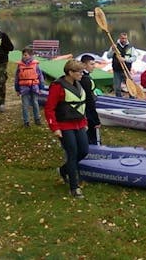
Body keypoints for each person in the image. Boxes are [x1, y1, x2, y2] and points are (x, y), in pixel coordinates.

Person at [44, 60, 89, 199]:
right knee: (72, 153)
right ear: (70, 73)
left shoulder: (78, 84)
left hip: (79, 124)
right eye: (79, 72)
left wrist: (85, 122)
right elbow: (49, 109)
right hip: (64, 126)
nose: (82, 74)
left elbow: (82, 105)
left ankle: (64, 170)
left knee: (84, 151)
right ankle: (74, 188)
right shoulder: (58, 87)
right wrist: (55, 128)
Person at [14, 47, 45, 127]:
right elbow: (17, 78)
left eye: (25, 55)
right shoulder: (20, 66)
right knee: (25, 105)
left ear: (31, 55)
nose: (24, 56)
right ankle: (26, 121)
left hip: (34, 87)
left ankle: (37, 119)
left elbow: (40, 76)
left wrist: (41, 88)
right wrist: (17, 89)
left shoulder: (35, 65)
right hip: (24, 88)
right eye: (23, 55)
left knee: (35, 103)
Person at [106, 32, 138, 97]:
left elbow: (134, 58)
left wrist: (125, 59)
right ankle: (119, 99)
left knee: (130, 87)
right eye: (122, 38)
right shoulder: (114, 46)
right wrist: (112, 50)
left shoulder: (131, 47)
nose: (124, 40)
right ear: (120, 38)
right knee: (117, 88)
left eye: (125, 38)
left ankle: (132, 98)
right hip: (117, 70)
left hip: (126, 70)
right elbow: (108, 56)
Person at [80, 55, 102, 145]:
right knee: (91, 133)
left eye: (94, 64)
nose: (94, 66)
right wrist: (96, 120)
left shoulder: (86, 77)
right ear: (84, 65)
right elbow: (89, 101)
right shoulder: (85, 79)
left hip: (86, 108)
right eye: (91, 64)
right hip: (87, 111)